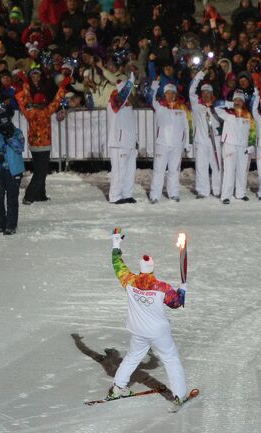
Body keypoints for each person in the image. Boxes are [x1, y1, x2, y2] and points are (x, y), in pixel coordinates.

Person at [108, 228, 191, 404]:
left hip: (138, 330)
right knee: (170, 358)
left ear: (141, 268)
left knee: (132, 357)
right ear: (153, 268)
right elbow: (176, 303)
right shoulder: (161, 287)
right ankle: (180, 394)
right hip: (158, 332)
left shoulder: (129, 280)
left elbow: (117, 264)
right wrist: (182, 290)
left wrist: (116, 243)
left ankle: (118, 388)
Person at [16, 73, 70, 205]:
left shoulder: (29, 110)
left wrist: (25, 83)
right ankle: (29, 196)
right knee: (41, 172)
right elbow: (57, 100)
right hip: (43, 145)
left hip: (34, 144)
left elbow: (26, 97)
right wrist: (62, 86)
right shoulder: (45, 111)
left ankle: (40, 194)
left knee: (40, 169)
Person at [148, 81, 192, 203]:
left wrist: (188, 143)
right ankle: (155, 195)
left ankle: (173, 193)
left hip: (177, 146)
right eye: (167, 93)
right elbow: (150, 99)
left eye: (172, 93)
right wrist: (154, 87)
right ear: (164, 94)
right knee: (159, 170)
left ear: (175, 94)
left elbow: (187, 127)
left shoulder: (182, 109)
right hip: (162, 145)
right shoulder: (160, 107)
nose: (170, 95)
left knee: (174, 170)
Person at [0, 111, 25, 235]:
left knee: (12, 199)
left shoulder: (17, 132)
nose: (4, 123)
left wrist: (9, 137)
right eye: (1, 121)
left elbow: (20, 147)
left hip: (13, 171)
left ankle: (11, 225)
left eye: (5, 120)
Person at [215, 90, 256, 204]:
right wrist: (229, 104)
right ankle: (226, 196)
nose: (238, 102)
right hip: (229, 145)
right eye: (236, 99)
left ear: (243, 102)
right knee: (229, 171)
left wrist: (251, 144)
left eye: (240, 100)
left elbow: (253, 131)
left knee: (242, 171)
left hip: (243, 147)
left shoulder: (248, 115)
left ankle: (240, 193)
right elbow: (216, 105)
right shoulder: (227, 113)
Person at [189, 65, 222, 199]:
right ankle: (203, 190)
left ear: (212, 94)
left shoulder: (218, 106)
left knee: (217, 166)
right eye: (204, 92)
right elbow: (192, 89)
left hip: (215, 140)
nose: (206, 94)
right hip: (201, 141)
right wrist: (201, 73)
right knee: (201, 166)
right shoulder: (196, 105)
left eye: (208, 92)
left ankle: (217, 189)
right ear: (201, 94)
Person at [106, 72, 137, 204]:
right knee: (119, 170)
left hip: (129, 143)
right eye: (127, 93)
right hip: (118, 143)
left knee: (130, 170)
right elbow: (121, 98)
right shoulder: (114, 104)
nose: (128, 97)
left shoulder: (128, 107)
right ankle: (115, 196)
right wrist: (130, 83)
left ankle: (127, 194)